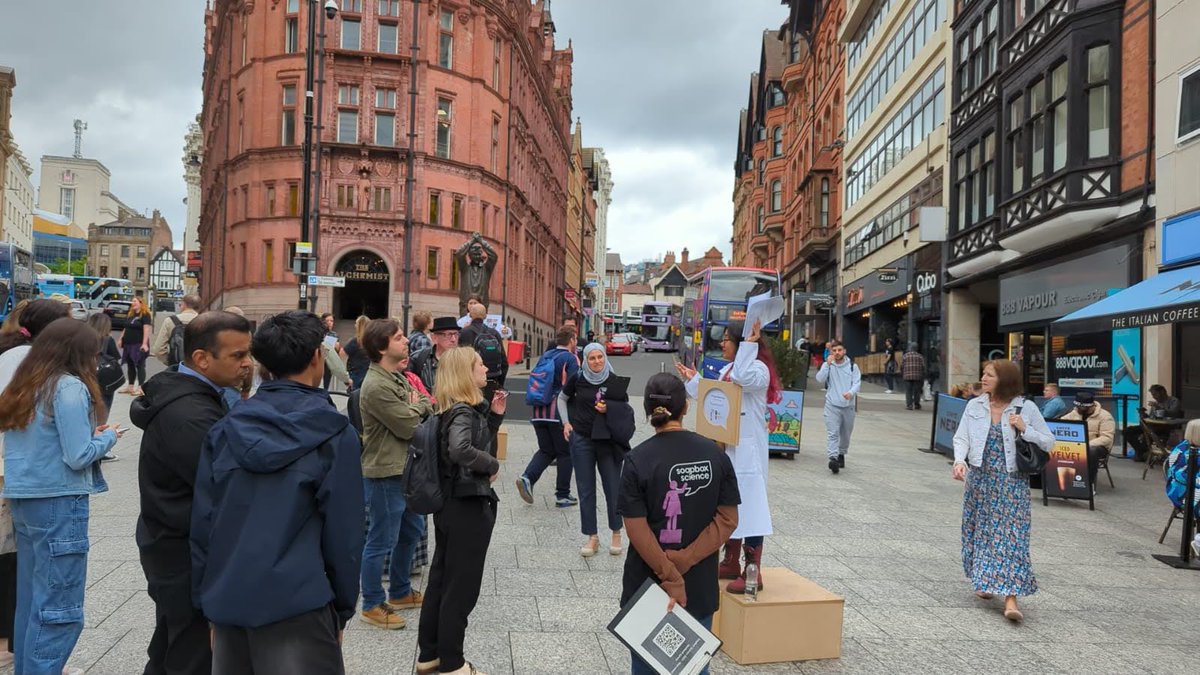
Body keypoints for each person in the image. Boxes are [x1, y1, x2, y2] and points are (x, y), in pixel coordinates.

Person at [190, 311, 364, 673]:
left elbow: (204, 524)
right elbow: (345, 533)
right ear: (317, 356)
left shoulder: (224, 429)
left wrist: (207, 604)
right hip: (299, 601)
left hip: (229, 596)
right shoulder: (334, 434)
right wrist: (342, 610)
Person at [132, 311, 253, 675]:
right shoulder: (190, 415)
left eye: (248, 353)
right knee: (192, 653)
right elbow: (225, 486)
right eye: (238, 356)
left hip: (170, 543)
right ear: (202, 359)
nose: (248, 364)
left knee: (173, 642)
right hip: (181, 549)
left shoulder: (194, 395)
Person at [0, 318, 121, 674]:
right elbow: (78, 454)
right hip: (59, 499)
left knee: (31, 598)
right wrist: (108, 436)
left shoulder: (28, 382)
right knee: (58, 605)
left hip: (25, 495)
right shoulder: (68, 386)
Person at [618, 373, 740, 675]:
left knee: (646, 666)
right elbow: (728, 519)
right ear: (685, 407)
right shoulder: (715, 454)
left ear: (648, 410)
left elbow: (636, 527)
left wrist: (670, 574)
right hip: (697, 584)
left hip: (649, 583)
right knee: (694, 666)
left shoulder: (637, 460)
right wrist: (686, 559)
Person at [417, 347, 504, 675]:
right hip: (467, 506)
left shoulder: (455, 409)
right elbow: (461, 449)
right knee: (461, 588)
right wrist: (492, 465)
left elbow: (472, 445)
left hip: (452, 505)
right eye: (479, 364)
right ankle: (453, 663)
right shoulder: (464, 412)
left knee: (441, 580)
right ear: (466, 373)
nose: (485, 369)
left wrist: (494, 417)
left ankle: (431, 655)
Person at [676, 320, 779, 593]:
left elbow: (743, 379)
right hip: (726, 448)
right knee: (728, 504)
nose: (722, 343)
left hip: (748, 453)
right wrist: (694, 380)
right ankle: (731, 560)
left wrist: (750, 343)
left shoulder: (757, 369)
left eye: (727, 339)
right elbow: (716, 397)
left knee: (751, 508)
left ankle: (753, 571)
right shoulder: (730, 369)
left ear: (743, 344)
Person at [952, 359, 1053, 623]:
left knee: (1011, 538)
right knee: (979, 530)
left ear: (1004, 380)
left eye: (989, 375)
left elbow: (1049, 441)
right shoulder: (975, 405)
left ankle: (1010, 598)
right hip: (979, 479)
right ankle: (984, 580)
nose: (983, 379)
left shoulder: (1026, 408)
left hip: (1011, 483)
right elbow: (962, 436)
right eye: (984, 374)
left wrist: (1024, 428)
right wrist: (959, 461)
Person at [0, 299, 72, 669]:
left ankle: (20, 656)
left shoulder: (11, 357)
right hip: (34, 478)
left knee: (26, 580)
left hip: (16, 475)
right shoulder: (42, 366)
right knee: (43, 589)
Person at [358, 319, 434, 630]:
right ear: (381, 348)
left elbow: (427, 400)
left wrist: (417, 405)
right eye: (399, 337)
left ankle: (401, 590)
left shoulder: (397, 377)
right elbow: (408, 424)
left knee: (411, 530)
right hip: (385, 470)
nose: (405, 342)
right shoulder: (376, 385)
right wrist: (417, 407)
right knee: (380, 540)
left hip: (405, 468)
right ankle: (372, 602)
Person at [564, 343, 634, 557]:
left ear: (605, 358)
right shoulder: (578, 377)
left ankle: (616, 533)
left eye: (600, 357)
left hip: (608, 441)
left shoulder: (614, 381)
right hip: (582, 439)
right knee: (585, 490)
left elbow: (625, 409)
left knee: (613, 488)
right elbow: (561, 398)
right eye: (592, 358)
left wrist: (608, 408)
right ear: (585, 359)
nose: (596, 362)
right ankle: (592, 537)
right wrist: (566, 423)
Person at [516, 325, 580, 508]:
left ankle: (527, 478)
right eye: (575, 339)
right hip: (559, 413)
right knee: (565, 453)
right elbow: (574, 386)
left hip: (538, 411)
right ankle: (563, 495)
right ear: (572, 340)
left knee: (547, 450)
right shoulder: (570, 358)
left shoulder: (546, 355)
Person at [815, 339, 861, 474]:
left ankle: (841, 453)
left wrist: (851, 393)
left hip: (848, 405)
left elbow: (857, 383)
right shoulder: (829, 365)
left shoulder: (853, 366)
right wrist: (826, 365)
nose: (837, 353)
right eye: (834, 351)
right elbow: (819, 379)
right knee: (833, 432)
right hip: (831, 404)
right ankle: (833, 458)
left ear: (844, 351)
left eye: (839, 350)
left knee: (846, 433)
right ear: (831, 352)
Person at [1061, 391, 1116, 491]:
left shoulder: (1105, 416)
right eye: (1076, 407)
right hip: (1075, 446)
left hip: (1097, 447)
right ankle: (1055, 482)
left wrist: (1086, 444)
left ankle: (1089, 485)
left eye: (1080, 408)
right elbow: (1060, 424)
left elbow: (1107, 438)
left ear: (1089, 407)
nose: (1077, 409)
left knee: (1091, 451)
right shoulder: (1075, 413)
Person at [459, 302, 508, 398]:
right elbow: (504, 362)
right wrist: (500, 384)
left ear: (470, 315)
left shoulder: (464, 332)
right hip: (492, 379)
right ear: (485, 316)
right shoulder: (494, 333)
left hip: (470, 383)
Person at [1127, 384, 1184, 461]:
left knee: (1149, 433)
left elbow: (1173, 413)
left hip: (1166, 428)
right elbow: (1151, 418)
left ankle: (1142, 453)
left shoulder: (1174, 401)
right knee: (1127, 431)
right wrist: (1143, 414)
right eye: (1152, 395)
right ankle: (1142, 451)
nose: (1154, 397)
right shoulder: (1155, 403)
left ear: (1163, 392)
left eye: (1155, 394)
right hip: (1153, 427)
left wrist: (1159, 407)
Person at [86, 313, 122, 423]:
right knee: (102, 412)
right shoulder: (107, 340)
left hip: (86, 377)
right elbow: (115, 358)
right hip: (103, 382)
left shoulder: (82, 338)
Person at [409, 316, 460, 393]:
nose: (453, 339)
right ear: (434, 338)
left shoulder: (464, 360)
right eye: (448, 335)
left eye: (456, 334)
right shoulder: (419, 358)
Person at [151, 294, 201, 366]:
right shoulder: (205, 322)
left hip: (177, 367)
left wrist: (171, 362)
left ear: (184, 305)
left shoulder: (170, 321)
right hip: (198, 368)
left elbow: (158, 349)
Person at [118, 295, 154, 396]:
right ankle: (130, 387)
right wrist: (121, 338)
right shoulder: (131, 315)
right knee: (130, 365)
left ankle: (141, 388)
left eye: (135, 301)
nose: (132, 303)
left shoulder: (145, 315)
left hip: (138, 344)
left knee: (140, 365)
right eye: (132, 301)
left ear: (141, 303)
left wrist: (144, 344)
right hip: (128, 344)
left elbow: (146, 329)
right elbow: (126, 328)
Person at [343, 315, 372, 390]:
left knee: (354, 397)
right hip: (369, 374)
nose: (355, 325)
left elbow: (342, 354)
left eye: (356, 323)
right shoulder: (372, 341)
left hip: (355, 374)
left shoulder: (355, 342)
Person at [320, 312, 344, 390]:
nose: (330, 323)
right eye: (328, 321)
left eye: (332, 321)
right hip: (319, 360)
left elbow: (338, 350)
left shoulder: (334, 334)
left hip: (329, 361)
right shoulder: (318, 332)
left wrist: (338, 347)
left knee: (326, 383)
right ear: (323, 321)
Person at [900, 342, 926, 410]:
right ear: (916, 348)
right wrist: (923, 374)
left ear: (910, 348)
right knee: (917, 391)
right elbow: (923, 367)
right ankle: (917, 404)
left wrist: (902, 373)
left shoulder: (905, 356)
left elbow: (902, 366)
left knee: (908, 391)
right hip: (917, 376)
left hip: (907, 376)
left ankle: (909, 405)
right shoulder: (920, 356)